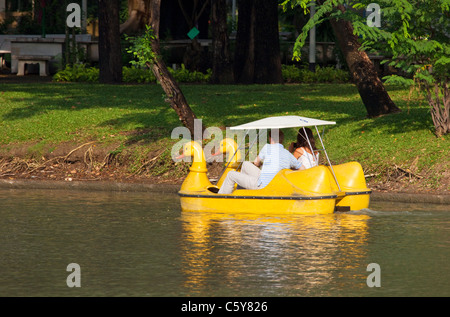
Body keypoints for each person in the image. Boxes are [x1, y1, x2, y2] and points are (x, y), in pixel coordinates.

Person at [218, 129, 302, 194]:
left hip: (262, 186)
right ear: (282, 140)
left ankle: (221, 199)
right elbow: (303, 169)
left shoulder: (267, 147)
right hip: (275, 184)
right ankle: (241, 193)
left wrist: (262, 163)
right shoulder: (288, 154)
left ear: (270, 138)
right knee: (245, 164)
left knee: (231, 175)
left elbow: (256, 162)